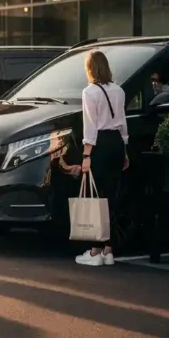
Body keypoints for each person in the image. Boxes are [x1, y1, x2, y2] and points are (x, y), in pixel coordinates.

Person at [76, 50, 129, 267]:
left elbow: (90, 127)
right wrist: (125, 150)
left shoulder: (89, 92)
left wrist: (86, 155)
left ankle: (95, 251)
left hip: (100, 144)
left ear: (90, 68)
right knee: (111, 196)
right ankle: (108, 250)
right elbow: (122, 122)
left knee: (97, 198)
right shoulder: (119, 90)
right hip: (116, 143)